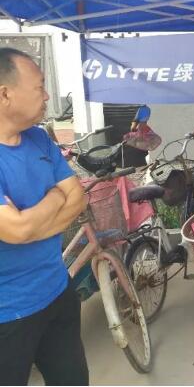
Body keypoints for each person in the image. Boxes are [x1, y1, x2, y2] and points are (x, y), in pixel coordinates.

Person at [0, 48, 88, 386]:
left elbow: (77, 198)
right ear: (5, 94)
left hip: (56, 290)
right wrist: (55, 196)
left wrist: (29, 222)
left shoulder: (38, 138)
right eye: (39, 87)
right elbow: (15, 230)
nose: (47, 96)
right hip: (8, 314)